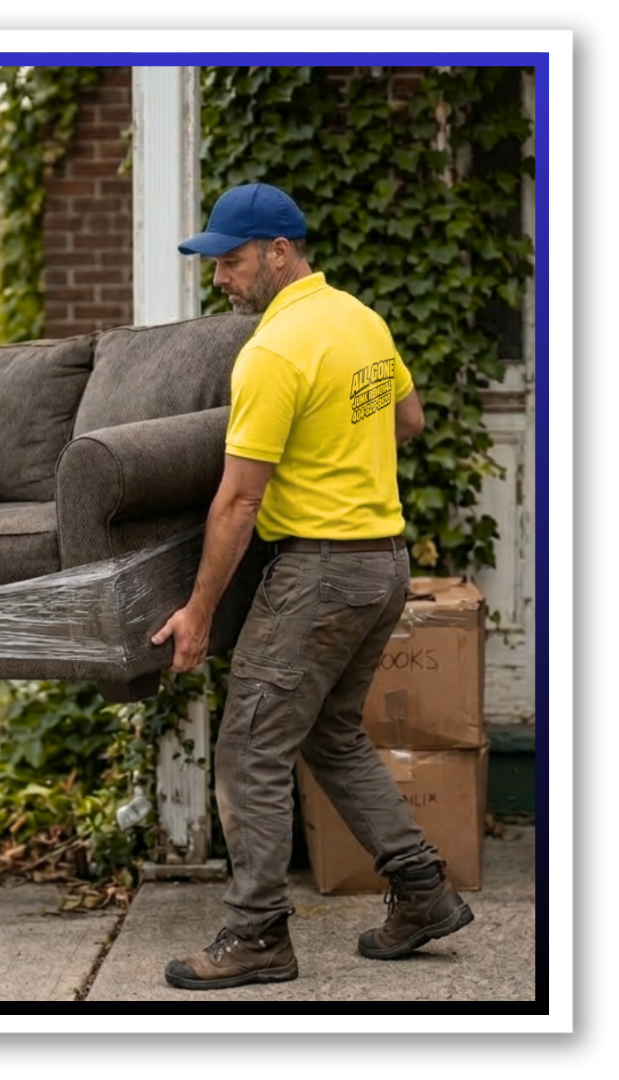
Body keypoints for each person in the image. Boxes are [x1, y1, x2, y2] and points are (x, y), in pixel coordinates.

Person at [152, 182, 473, 990]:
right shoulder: (360, 319)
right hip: (383, 565)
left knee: (250, 747)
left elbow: (237, 499)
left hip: (321, 572)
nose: (221, 278)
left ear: (279, 253)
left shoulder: (271, 350)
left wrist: (197, 614)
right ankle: (424, 892)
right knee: (330, 736)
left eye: (230, 261)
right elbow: (408, 422)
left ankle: (258, 934)